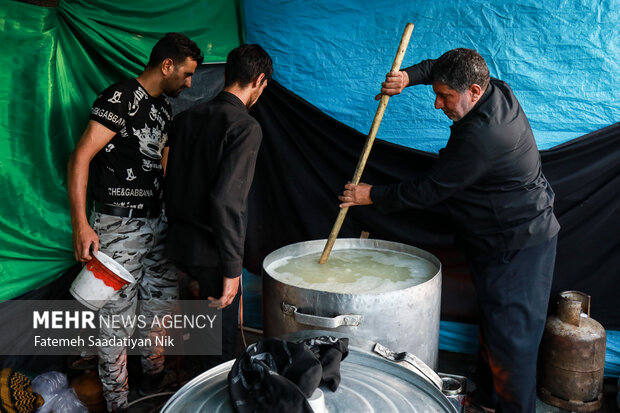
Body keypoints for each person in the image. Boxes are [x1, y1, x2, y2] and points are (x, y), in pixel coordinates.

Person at [339, 48, 560, 413]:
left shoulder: (484, 137)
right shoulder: (494, 87)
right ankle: (489, 400)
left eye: (446, 97)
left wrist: (370, 195)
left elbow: (428, 190)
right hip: (495, 239)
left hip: (518, 243)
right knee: (495, 327)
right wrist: (410, 77)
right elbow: (438, 67)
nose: (438, 105)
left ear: (474, 91)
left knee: (513, 344)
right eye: (436, 93)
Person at [67, 32, 203, 412]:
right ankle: (118, 403)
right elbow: (80, 158)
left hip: (156, 223)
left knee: (160, 305)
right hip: (116, 226)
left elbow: (160, 166)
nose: (190, 83)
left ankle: (154, 376)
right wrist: (82, 224)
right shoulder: (119, 99)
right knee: (115, 320)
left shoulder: (163, 110)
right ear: (167, 66)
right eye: (187, 75)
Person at [164, 44, 273, 369]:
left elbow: (169, 180)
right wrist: (230, 268)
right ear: (260, 81)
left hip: (179, 247)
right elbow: (227, 200)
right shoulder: (245, 127)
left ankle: (190, 389)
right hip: (214, 256)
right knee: (218, 353)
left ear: (227, 74)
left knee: (197, 340)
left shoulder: (184, 118)